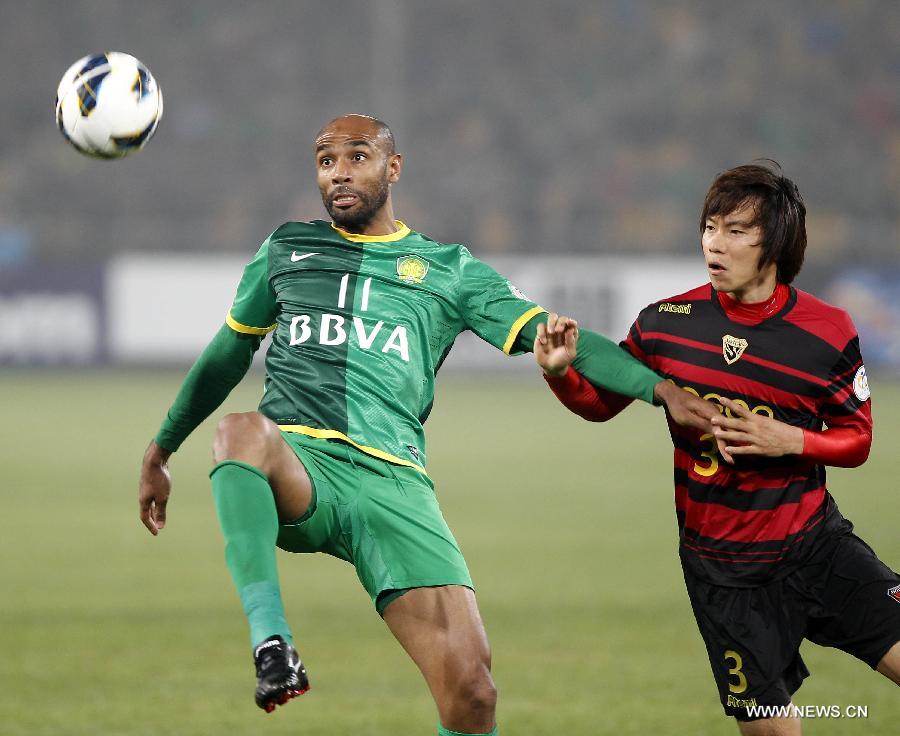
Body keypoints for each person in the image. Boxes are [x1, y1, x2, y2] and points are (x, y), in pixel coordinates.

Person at [137, 113, 717, 735]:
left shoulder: (448, 269)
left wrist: (660, 390)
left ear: (393, 168)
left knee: (473, 693)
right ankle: (272, 644)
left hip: (396, 483)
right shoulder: (287, 248)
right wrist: (161, 448)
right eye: (325, 160)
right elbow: (229, 352)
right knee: (241, 432)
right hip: (300, 464)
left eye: (356, 157)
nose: (338, 173)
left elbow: (559, 336)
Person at [534, 162, 900, 734]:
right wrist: (560, 374)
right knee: (773, 731)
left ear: (773, 241)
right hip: (722, 572)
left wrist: (791, 439)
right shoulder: (665, 324)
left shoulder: (827, 331)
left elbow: (858, 442)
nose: (715, 244)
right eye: (710, 228)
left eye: (735, 231)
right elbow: (599, 405)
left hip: (814, 547)